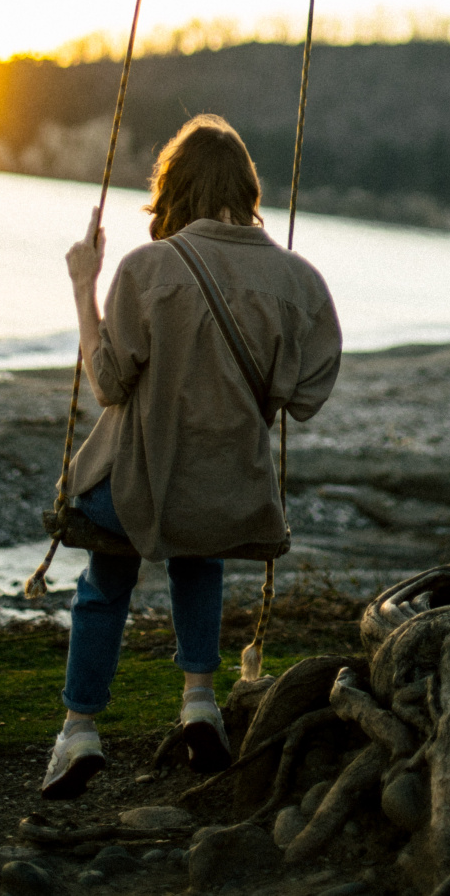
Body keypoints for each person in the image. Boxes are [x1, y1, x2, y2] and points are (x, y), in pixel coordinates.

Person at [41, 114, 342, 800]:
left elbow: (110, 382)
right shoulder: (299, 280)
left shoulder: (149, 267)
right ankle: (200, 701)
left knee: (104, 584)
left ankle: (79, 732)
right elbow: (308, 395)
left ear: (172, 189)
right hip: (228, 490)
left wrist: (83, 287)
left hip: (138, 489)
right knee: (197, 553)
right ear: (247, 187)